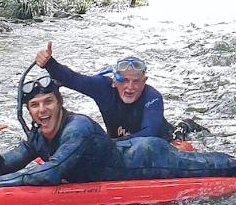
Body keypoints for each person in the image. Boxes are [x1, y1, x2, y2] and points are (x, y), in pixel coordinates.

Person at [0, 72, 236, 189]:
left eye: (49, 102)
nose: (42, 109)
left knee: (233, 164)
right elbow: (1, 169)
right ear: (29, 112)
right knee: (229, 162)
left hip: (148, 159)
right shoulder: (37, 136)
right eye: (36, 105)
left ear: (60, 105)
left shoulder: (78, 129)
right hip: (123, 155)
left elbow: (51, 173)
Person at [31, 42, 172, 141]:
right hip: (118, 146)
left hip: (160, 145)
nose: (130, 87)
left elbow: (150, 135)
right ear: (115, 81)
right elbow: (73, 79)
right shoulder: (104, 88)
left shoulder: (152, 97)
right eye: (124, 81)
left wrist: (107, 145)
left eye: (136, 81)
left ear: (144, 81)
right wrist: (49, 64)